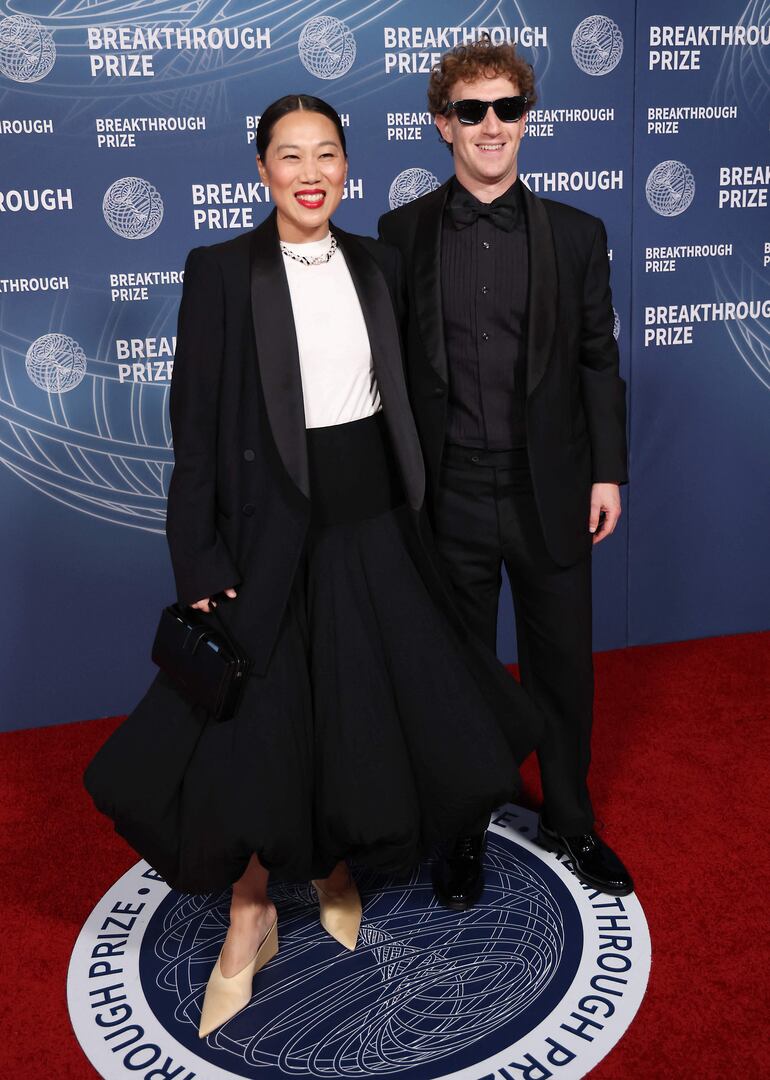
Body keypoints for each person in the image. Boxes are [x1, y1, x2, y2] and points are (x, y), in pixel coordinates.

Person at [84, 94, 542, 1039]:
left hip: (372, 522)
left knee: (356, 709)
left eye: (325, 154)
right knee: (266, 726)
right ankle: (251, 913)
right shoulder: (220, 271)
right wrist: (198, 557)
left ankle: (333, 865)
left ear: (346, 169)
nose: (309, 172)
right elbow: (196, 432)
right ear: (262, 172)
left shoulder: (377, 261)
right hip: (269, 532)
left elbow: (402, 397)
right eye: (289, 155)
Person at [379, 39, 634, 909]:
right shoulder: (400, 234)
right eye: (472, 110)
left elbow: (600, 360)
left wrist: (608, 472)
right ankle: (460, 829)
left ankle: (569, 814)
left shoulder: (577, 234)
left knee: (562, 663)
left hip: (552, 487)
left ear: (528, 119)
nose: (493, 127)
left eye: (508, 110)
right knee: (459, 670)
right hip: (446, 493)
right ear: (442, 122)